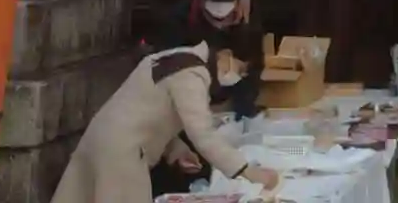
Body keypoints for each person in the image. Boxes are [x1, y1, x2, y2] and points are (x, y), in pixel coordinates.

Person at [50, 32, 280, 203]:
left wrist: (177, 150)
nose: (237, 77)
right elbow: (203, 135)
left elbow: (149, 112)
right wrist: (249, 172)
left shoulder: (177, 58)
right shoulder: (192, 73)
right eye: (240, 69)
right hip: (122, 153)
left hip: (105, 140)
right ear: (226, 54)